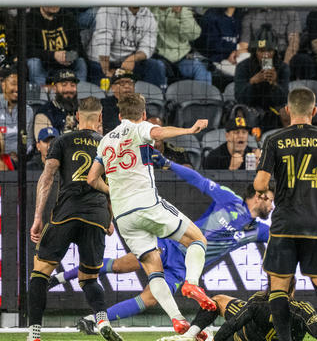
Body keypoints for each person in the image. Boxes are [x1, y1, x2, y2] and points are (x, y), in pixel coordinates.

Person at [63, 156, 274, 334]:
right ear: (259, 196)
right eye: (270, 201)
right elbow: (197, 179)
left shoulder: (258, 230)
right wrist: (167, 163)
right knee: (121, 266)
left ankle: (93, 320)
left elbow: (284, 235)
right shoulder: (230, 200)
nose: (272, 207)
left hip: (183, 269)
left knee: (149, 300)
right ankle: (61, 276)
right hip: (171, 245)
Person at [87, 93, 215, 334]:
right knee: (197, 239)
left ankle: (177, 319)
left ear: (120, 115)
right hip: (147, 204)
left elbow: (91, 178)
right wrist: (189, 130)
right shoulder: (140, 128)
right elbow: (157, 133)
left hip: (123, 217)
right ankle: (192, 284)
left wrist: (113, 191)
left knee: (152, 268)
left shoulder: (104, 141)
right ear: (143, 115)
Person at [253, 87, 317, 341]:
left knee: (279, 288)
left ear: (287, 111)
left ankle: (284, 339)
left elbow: (260, 184)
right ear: (314, 111)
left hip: (285, 224)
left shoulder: (274, 140)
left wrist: (264, 190)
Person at [28, 96, 122, 341]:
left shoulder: (62, 140)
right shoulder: (107, 144)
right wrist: (109, 218)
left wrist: (38, 217)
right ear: (100, 118)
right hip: (97, 215)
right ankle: (101, 320)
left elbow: (47, 179)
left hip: (67, 212)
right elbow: (113, 184)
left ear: (77, 117)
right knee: (89, 278)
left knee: (40, 272)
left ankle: (34, 334)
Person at [157, 277, 317, 341]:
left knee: (217, 301)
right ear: (293, 289)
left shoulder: (258, 301)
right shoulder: (302, 310)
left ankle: (190, 335)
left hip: (243, 335)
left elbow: (231, 325)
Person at [87, 0, 166, 87]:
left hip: (127, 63)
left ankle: (154, 101)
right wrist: (106, 71)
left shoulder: (149, 16)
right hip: (101, 61)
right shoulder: (108, 9)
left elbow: (148, 46)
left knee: (157, 66)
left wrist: (132, 59)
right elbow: (104, 41)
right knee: (105, 90)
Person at [151, 0, 212, 84]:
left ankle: (205, 100)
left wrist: (179, 15)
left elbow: (193, 34)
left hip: (181, 59)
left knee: (200, 69)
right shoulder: (149, 10)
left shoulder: (182, 9)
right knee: (158, 68)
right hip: (158, 58)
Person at [234, 24, 290, 131]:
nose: (265, 55)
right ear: (255, 51)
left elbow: (283, 99)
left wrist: (274, 85)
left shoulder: (282, 67)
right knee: (239, 111)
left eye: (269, 51)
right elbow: (240, 98)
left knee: (287, 112)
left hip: (274, 108)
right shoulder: (243, 66)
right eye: (261, 50)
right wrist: (252, 82)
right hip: (251, 107)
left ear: (275, 51)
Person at [238, 0, 301, 66]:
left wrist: (285, 66)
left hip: (283, 55)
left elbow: (294, 42)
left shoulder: (289, 11)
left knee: (302, 60)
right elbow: (244, 45)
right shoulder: (250, 13)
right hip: (258, 56)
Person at [195, 0, 243, 89]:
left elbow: (246, 42)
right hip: (218, 60)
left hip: (240, 55)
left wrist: (237, 51)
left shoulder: (242, 16)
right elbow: (212, 45)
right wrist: (234, 50)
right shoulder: (211, 15)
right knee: (244, 72)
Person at [26, 5, 87, 85]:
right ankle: (41, 95)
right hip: (43, 63)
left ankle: (80, 95)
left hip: (65, 63)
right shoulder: (30, 19)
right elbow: (28, 51)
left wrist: (69, 56)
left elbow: (78, 47)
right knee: (34, 63)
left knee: (80, 62)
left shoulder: (68, 17)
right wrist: (54, 55)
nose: (54, 4)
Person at [0, 64, 34, 160]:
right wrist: (6, 157)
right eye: (14, 83)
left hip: (21, 161)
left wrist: (19, 155)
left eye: (20, 84)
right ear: (3, 84)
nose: (17, 88)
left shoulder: (28, 111)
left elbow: (29, 142)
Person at [33, 69, 79, 137]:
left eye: (72, 85)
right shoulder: (44, 112)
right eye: (64, 85)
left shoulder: (83, 109)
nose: (68, 89)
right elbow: (44, 145)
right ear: (54, 88)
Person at [101, 68, 136, 135]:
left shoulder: (140, 104)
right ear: (113, 87)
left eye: (130, 82)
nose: (127, 86)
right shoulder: (103, 105)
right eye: (122, 83)